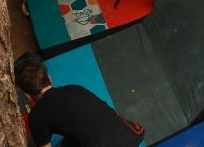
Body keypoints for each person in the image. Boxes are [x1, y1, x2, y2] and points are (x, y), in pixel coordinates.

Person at [14, 52, 145, 147]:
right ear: (49, 78)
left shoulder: (36, 116)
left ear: (27, 95)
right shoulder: (74, 88)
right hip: (130, 136)